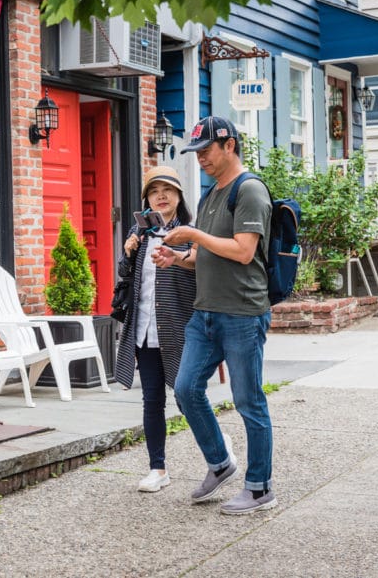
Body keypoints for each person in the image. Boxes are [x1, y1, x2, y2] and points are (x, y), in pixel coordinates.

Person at [155, 116, 277, 515]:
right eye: (197, 152)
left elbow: (243, 251)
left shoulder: (250, 191)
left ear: (229, 145)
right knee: (186, 389)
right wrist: (178, 258)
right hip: (205, 314)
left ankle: (260, 488)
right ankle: (220, 462)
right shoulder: (211, 195)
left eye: (206, 150)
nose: (201, 159)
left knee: (248, 401)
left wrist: (191, 235)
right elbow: (205, 254)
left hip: (242, 314)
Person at [113, 166, 199, 493]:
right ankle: (157, 468)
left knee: (189, 397)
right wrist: (129, 251)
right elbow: (126, 276)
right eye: (153, 191)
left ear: (179, 196)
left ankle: (219, 452)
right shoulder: (141, 235)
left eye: (167, 190)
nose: (160, 196)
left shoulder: (190, 233)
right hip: (145, 330)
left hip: (179, 329)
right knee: (152, 400)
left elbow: (198, 274)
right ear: (147, 200)